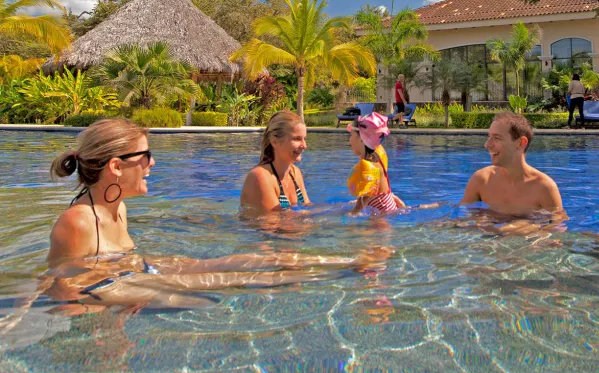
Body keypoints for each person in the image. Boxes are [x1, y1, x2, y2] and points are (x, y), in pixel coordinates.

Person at [44, 118, 388, 309]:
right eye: (145, 157)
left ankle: (347, 263)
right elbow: (61, 290)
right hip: (121, 284)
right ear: (117, 167)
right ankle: (348, 267)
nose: (152, 164)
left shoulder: (116, 210)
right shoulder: (78, 221)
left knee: (256, 261)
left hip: (140, 269)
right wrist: (132, 298)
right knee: (216, 291)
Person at [460, 112, 563, 216]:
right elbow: (460, 216)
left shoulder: (544, 187)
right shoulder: (482, 180)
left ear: (521, 143)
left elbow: (557, 227)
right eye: (489, 137)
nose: (487, 145)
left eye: (497, 138)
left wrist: (523, 228)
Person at [241, 110, 311, 212]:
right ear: (274, 141)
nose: (304, 145)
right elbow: (274, 222)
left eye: (304, 139)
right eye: (297, 139)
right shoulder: (260, 176)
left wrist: (340, 209)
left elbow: (308, 207)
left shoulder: (295, 173)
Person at [347, 112, 406, 214]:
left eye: (351, 135)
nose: (349, 141)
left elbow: (365, 198)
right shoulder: (377, 152)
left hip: (383, 214)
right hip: (387, 203)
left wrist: (353, 213)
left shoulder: (369, 166)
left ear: (361, 138)